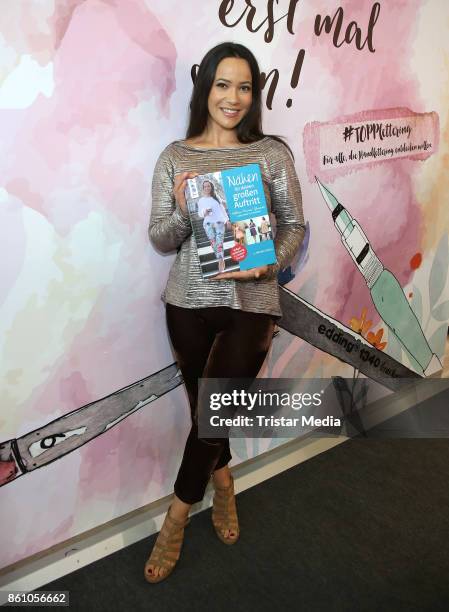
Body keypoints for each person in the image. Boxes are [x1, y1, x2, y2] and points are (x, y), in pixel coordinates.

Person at [146, 42, 305, 583]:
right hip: (186, 304)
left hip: (251, 306)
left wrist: (267, 267)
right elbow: (161, 237)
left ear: (252, 94)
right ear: (205, 88)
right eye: (222, 85)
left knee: (215, 412)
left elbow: (294, 227)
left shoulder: (270, 154)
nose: (233, 98)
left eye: (244, 87)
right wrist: (187, 208)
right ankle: (224, 483)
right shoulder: (175, 156)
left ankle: (174, 518)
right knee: (205, 413)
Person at [197, 179, 229, 273]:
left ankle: (220, 261)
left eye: (208, 186)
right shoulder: (201, 201)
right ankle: (221, 259)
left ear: (211, 187)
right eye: (205, 186)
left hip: (219, 222)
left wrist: (227, 220)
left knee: (219, 242)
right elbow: (200, 214)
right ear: (203, 188)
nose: (207, 188)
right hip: (208, 224)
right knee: (213, 242)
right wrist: (204, 212)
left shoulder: (216, 198)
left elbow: (223, 210)